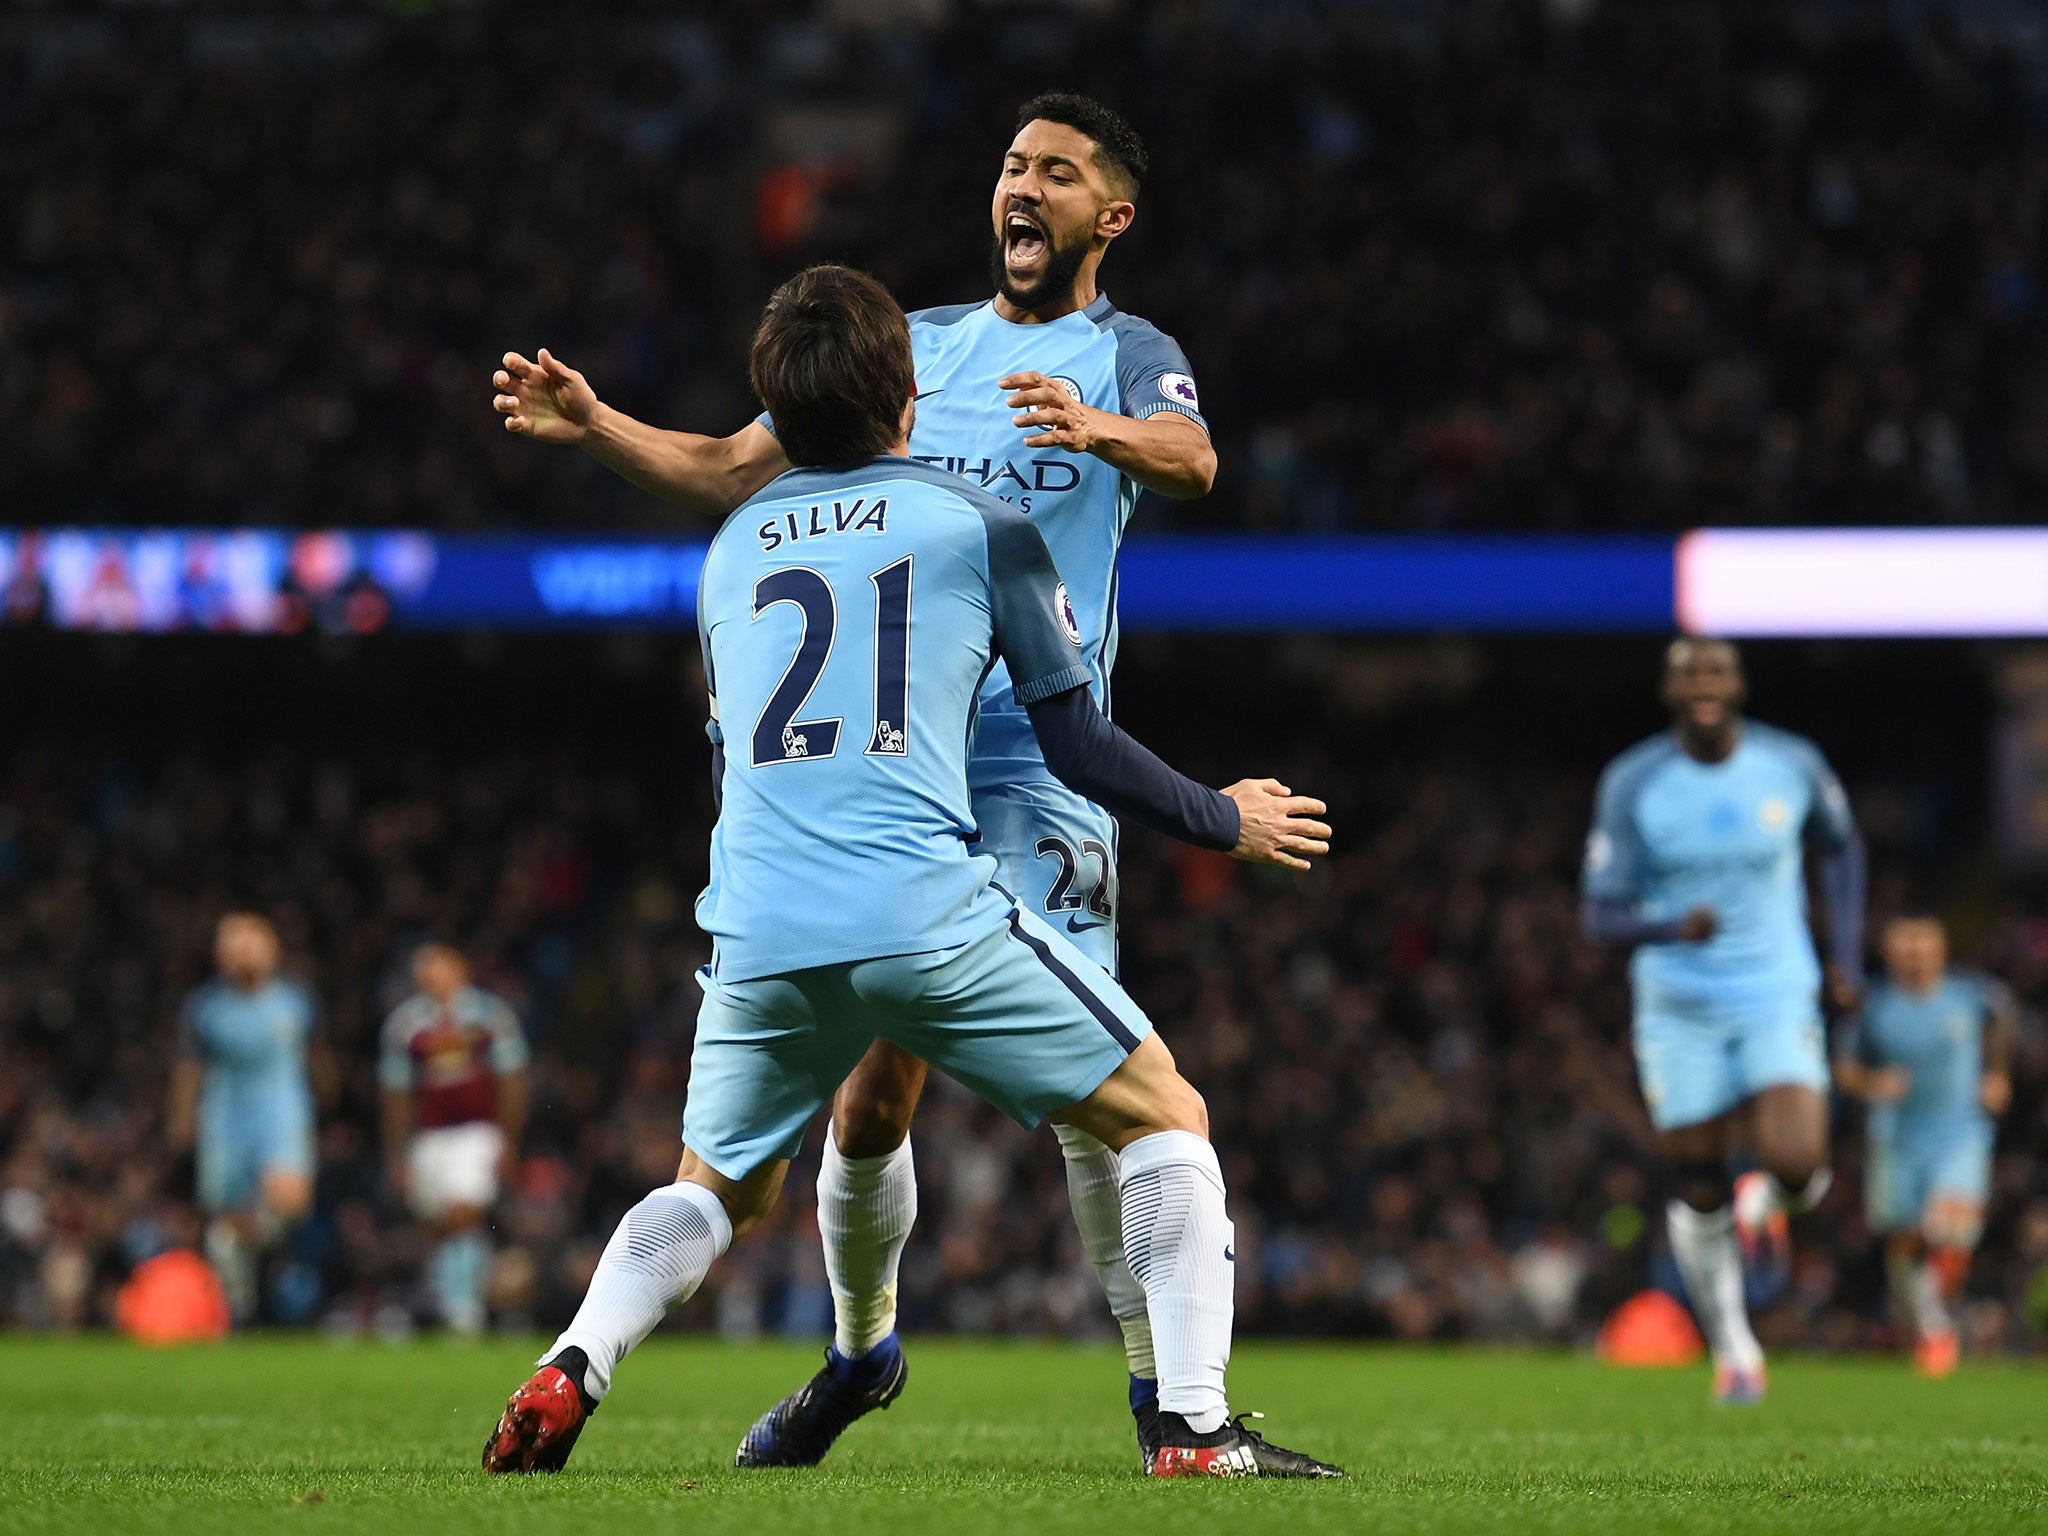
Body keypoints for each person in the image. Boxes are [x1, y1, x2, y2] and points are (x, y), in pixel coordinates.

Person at [482, 264, 1339, 1479]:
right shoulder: (976, 525)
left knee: (712, 1190)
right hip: (924, 900)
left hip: (757, 925)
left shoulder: (729, 554)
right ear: (909, 403)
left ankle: (572, 1362)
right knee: (1161, 1117)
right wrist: (1222, 819)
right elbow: (1078, 740)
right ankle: (1189, 1427)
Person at [1580, 638, 1866, 1404]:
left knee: (1799, 1160)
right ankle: (1735, 1349)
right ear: (1670, 691)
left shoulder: (1792, 763)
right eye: (1688, 675)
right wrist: (1673, 928)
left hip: (1776, 991)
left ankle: (1767, 1201)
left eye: (1716, 672)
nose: (1704, 685)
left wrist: (1843, 952)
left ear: (1738, 685)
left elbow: (1841, 850)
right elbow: (1600, 915)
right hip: (1679, 1006)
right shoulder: (1634, 781)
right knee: (1697, 1179)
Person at [1835, 914, 2015, 1377]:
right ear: (1891, 953)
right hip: (1896, 1137)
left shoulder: (1970, 996)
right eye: (1906, 947)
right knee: (1906, 1238)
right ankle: (1925, 1324)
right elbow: (1843, 1069)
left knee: (1952, 1224)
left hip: (1958, 1132)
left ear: (1941, 950)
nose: (1915, 955)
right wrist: (1873, 1081)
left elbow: (2006, 1023)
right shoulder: (1874, 1007)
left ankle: (1935, 1326)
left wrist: (1997, 1073)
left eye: (1923, 946)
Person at [166, 912, 320, 1323]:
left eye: (251, 944)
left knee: (289, 1200)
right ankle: (237, 1307)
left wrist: (328, 1104)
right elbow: (189, 1067)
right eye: (234, 946)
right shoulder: (205, 1007)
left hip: (281, 1108)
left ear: (272, 951)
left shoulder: (295, 1001)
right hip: (225, 1113)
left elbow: (318, 1058)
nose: (243, 954)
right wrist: (181, 1120)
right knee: (229, 1213)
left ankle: (260, 1251)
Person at [380, 943, 530, 1334]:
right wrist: (398, 1153)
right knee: (437, 1222)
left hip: (476, 1132)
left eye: (440, 968)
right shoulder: (406, 1025)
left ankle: (463, 1306)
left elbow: (511, 1078)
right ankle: (442, 1298)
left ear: (460, 970)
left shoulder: (489, 1018)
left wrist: (509, 1139)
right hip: (430, 1137)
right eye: (425, 971)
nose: (433, 978)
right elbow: (395, 1093)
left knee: (466, 1211)